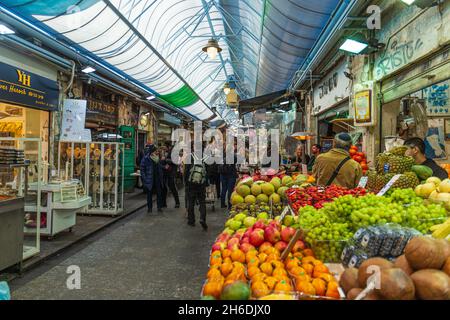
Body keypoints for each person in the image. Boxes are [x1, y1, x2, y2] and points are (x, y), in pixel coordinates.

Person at [184, 143, 208, 230]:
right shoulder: (205, 157)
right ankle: (202, 218)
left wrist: (186, 183)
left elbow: (186, 171)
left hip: (191, 184)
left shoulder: (189, 157)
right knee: (202, 202)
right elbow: (208, 171)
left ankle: (191, 221)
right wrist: (206, 182)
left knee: (191, 202)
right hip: (201, 184)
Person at [140, 144, 164, 213]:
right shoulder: (146, 158)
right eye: (156, 151)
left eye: (157, 151)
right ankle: (149, 208)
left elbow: (160, 167)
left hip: (158, 179)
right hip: (150, 179)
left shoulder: (158, 158)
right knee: (149, 195)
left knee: (159, 194)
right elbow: (142, 168)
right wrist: (145, 178)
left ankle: (159, 207)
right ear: (152, 151)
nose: (157, 152)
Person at [160, 142, 181, 208]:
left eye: (165, 146)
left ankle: (177, 202)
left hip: (171, 172)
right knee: (164, 188)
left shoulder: (173, 152)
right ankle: (164, 203)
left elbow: (175, 161)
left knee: (172, 187)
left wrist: (165, 159)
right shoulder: (167, 152)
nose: (164, 148)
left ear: (168, 146)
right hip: (166, 172)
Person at [220, 143, 238, 209]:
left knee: (224, 189)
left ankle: (222, 204)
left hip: (223, 174)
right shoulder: (233, 156)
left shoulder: (222, 155)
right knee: (230, 190)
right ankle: (230, 205)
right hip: (231, 175)